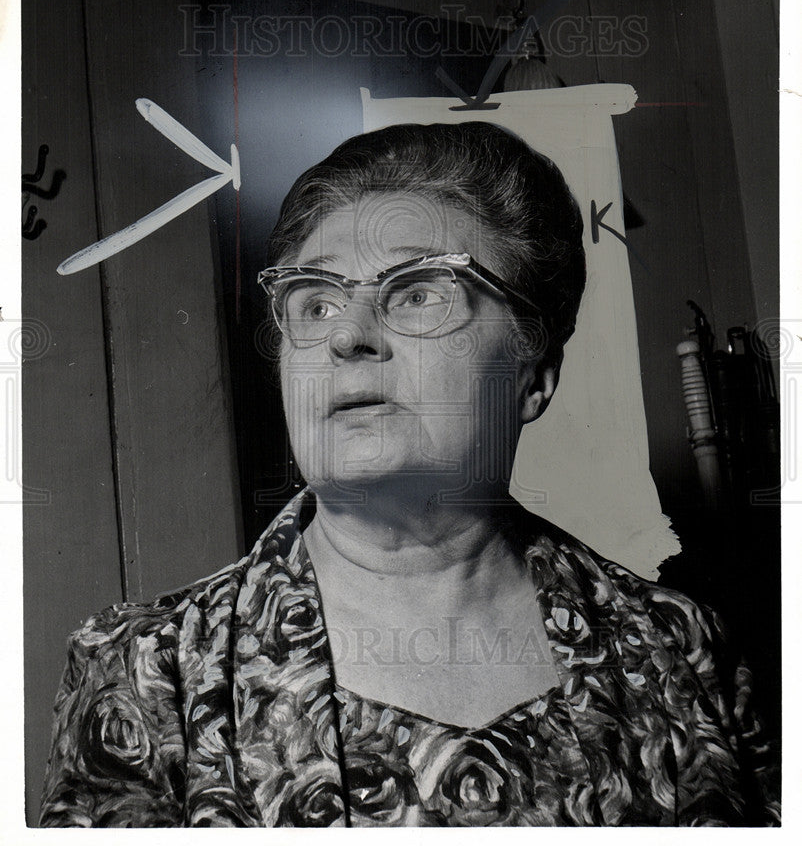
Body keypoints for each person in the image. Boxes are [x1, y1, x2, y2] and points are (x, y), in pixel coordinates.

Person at [39, 122, 779, 827]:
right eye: (317, 302)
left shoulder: (681, 647)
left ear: (535, 373)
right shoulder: (145, 674)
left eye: (420, 292)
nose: (349, 337)